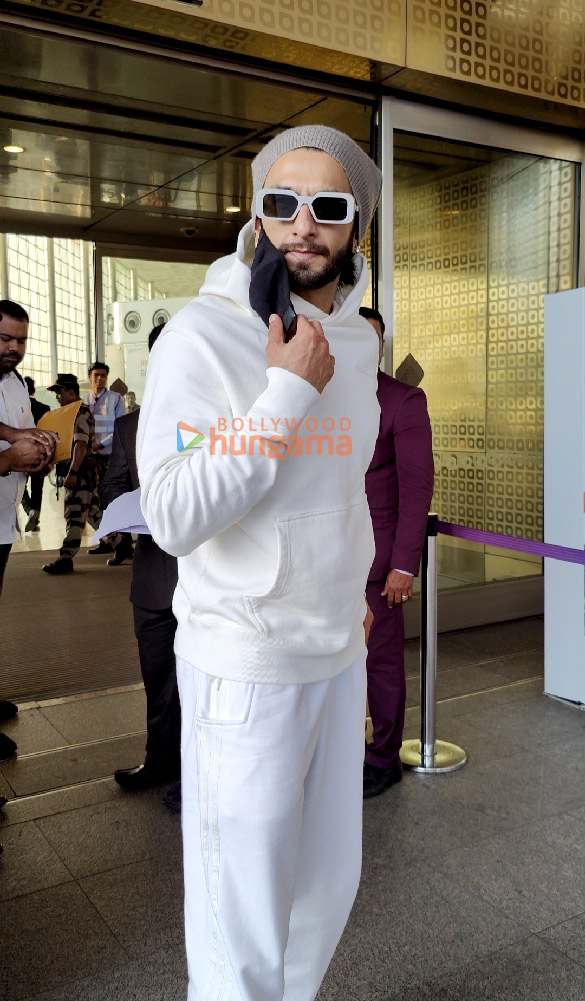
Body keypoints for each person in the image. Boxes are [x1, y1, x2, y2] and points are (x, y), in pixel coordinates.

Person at [137, 125, 382, 1001]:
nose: (301, 226)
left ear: (356, 226)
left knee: (323, 891)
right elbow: (170, 511)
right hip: (244, 661)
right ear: (256, 212)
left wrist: (350, 584)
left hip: (333, 651)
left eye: (327, 207)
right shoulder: (202, 336)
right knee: (237, 911)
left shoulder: (357, 340)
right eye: (281, 203)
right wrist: (281, 393)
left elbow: (343, 482)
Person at [102, 326, 180, 808]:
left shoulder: (214, 421)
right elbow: (112, 486)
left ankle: (197, 774)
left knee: (198, 683)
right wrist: (125, 511)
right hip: (151, 579)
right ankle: (159, 762)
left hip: (204, 578)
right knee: (157, 679)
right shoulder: (130, 427)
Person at [360, 305, 435, 798]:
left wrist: (404, 565)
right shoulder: (318, 398)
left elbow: (417, 487)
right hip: (326, 559)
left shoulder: (403, 401)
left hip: (378, 564)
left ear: (382, 346)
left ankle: (384, 758)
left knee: (380, 665)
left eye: (373, 339)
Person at [0, 299, 56, 761]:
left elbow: (12, 430)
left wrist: (38, 441)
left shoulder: (15, 381)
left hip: (4, 517)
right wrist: (7, 458)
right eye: (5, 339)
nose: (14, 349)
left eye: (21, 340)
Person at [42, 374, 97, 575]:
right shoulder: (72, 413)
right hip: (85, 471)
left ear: (70, 391)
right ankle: (121, 544)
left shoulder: (78, 413)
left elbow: (80, 445)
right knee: (93, 513)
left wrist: (73, 472)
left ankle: (66, 558)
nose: (57, 397)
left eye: (59, 392)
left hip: (80, 472)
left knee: (74, 514)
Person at [83, 361, 129, 560]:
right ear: (89, 377)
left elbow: (121, 428)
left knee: (114, 501)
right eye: (96, 375)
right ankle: (106, 540)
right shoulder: (84, 400)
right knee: (97, 501)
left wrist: (100, 445)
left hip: (111, 458)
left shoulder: (116, 399)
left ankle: (124, 545)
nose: (99, 379)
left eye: (103, 375)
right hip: (91, 459)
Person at [21, 376, 50, 531]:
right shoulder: (44, 408)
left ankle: (30, 510)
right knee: (37, 487)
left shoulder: (18, 408)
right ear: (33, 390)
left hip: (22, 452)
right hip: (40, 453)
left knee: (20, 485)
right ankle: (36, 520)